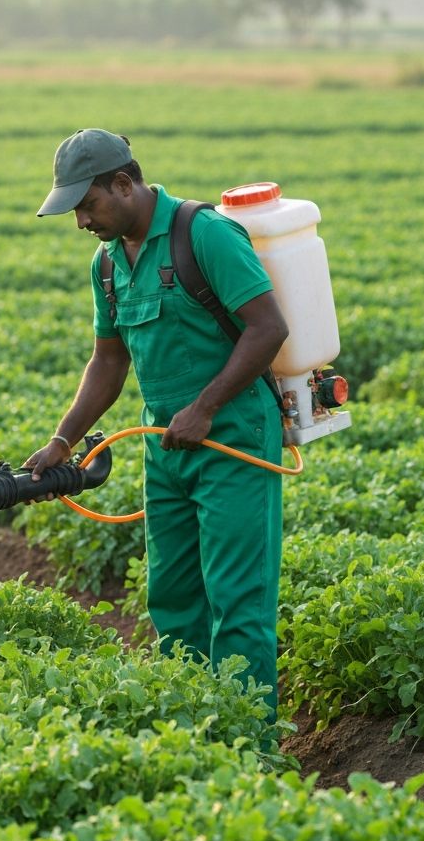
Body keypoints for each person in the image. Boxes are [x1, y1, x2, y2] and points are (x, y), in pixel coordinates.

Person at [25, 128, 288, 720]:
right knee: (172, 599)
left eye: (87, 206)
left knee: (237, 602)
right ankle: (192, 731)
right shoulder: (109, 264)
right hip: (164, 446)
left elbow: (267, 328)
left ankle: (249, 745)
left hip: (233, 438)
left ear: (125, 183)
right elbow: (108, 361)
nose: (81, 222)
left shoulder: (204, 235)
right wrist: (62, 440)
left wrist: (207, 407)